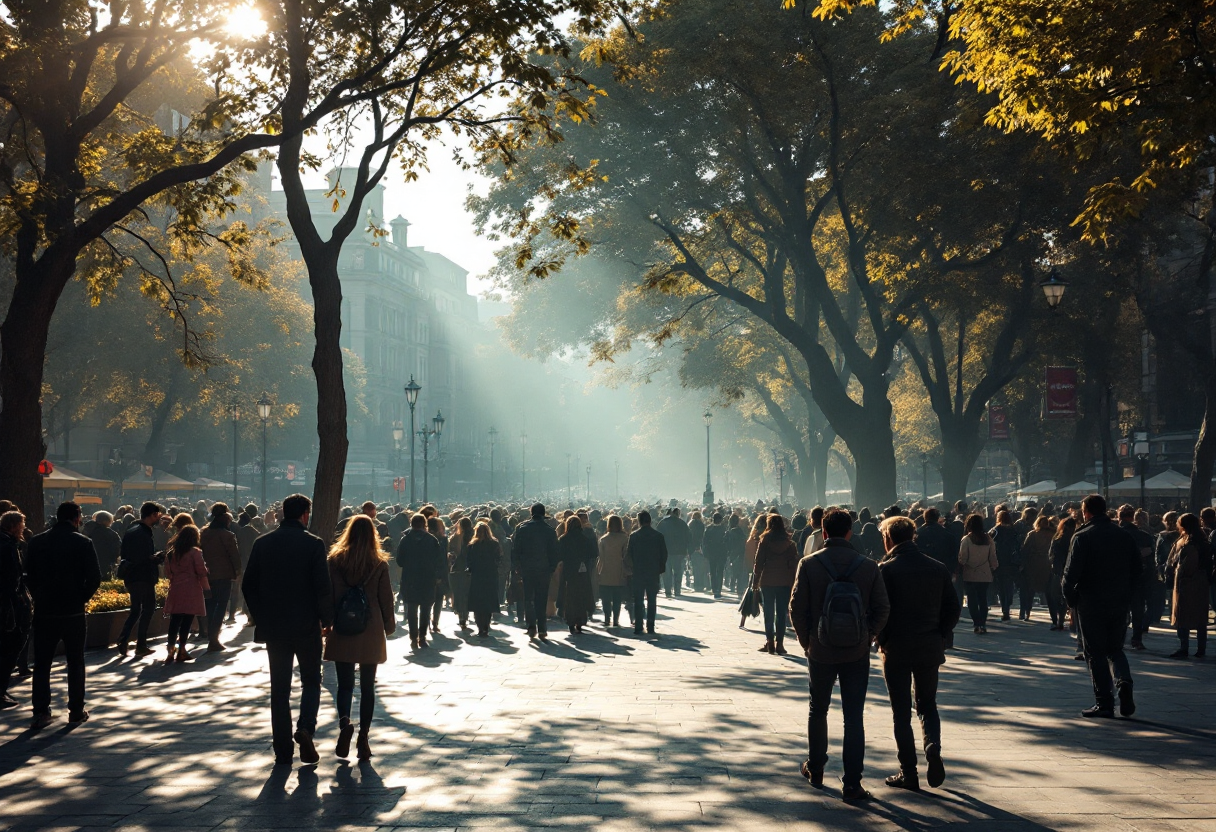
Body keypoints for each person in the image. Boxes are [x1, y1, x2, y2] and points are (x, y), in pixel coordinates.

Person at [789, 508, 890, 802]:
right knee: (853, 717)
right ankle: (852, 783)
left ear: (823, 533)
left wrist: (806, 639)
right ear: (850, 532)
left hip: (819, 649)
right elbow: (883, 608)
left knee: (817, 708)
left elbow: (796, 607)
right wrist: (868, 634)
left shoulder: (809, 564)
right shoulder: (869, 566)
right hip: (856, 651)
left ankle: (816, 767)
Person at [241, 493, 334, 766]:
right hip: (306, 625)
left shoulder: (263, 543)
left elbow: (248, 585)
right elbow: (322, 587)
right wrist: (326, 619)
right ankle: (305, 728)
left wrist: (261, 616)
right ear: (305, 514)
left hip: (275, 627)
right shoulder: (314, 544)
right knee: (311, 681)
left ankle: (282, 749)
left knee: (279, 689)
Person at [876, 516, 960, 791]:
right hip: (928, 645)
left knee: (900, 712)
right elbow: (953, 607)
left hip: (896, 647)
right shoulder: (937, 568)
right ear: (913, 536)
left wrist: (882, 638)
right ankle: (932, 744)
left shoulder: (885, 569)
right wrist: (939, 633)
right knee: (927, 704)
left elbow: (879, 610)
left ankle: (908, 772)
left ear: (888, 537)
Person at [1062, 494, 1141, 719]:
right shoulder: (1124, 536)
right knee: (1115, 649)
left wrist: (1071, 601)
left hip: (1091, 601)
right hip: (1119, 601)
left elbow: (1070, 575)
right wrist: (1128, 595)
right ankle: (1124, 681)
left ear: (1086, 512)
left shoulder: (1082, 536)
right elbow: (1138, 570)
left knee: (1095, 652)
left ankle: (1104, 702)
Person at [24, 502, 101, 729]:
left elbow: (28, 574)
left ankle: (41, 711)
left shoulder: (37, 542)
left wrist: (39, 595)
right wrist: (81, 597)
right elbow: (94, 578)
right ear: (76, 517)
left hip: (45, 611)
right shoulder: (83, 542)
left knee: (42, 663)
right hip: (73, 612)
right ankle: (76, 711)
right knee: (75, 662)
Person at [324, 515, 395, 760]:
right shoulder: (379, 563)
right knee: (367, 687)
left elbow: (328, 594)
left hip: (342, 627)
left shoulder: (335, 561)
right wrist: (389, 626)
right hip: (370, 627)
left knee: (344, 685)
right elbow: (386, 599)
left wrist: (326, 623)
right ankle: (364, 737)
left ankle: (345, 724)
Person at [116, 501, 164, 657]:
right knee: (148, 609)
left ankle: (123, 640)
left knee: (136, 609)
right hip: (143, 576)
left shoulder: (132, 530)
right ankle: (141, 644)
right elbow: (144, 558)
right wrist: (157, 558)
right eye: (158, 515)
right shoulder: (143, 533)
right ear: (153, 515)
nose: (159, 519)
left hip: (131, 576)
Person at [1165, 513, 1211, 659]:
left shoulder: (1186, 542)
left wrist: (1180, 574)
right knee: (1200, 617)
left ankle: (1184, 647)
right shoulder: (1203, 540)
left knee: (1182, 614)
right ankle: (1201, 648)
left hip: (1186, 582)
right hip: (1202, 581)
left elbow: (1184, 563)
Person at [396, 513, 445, 649]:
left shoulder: (405, 540)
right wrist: (438, 576)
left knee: (411, 609)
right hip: (427, 579)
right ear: (425, 525)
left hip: (410, 579)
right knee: (425, 608)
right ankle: (422, 637)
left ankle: (413, 637)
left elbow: (399, 561)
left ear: (411, 524)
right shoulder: (432, 540)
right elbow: (439, 560)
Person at [752, 513, 799, 655]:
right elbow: (793, 565)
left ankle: (769, 642)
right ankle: (780, 644)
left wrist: (755, 582)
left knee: (768, 612)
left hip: (767, 581)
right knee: (781, 613)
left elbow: (758, 563)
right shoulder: (790, 543)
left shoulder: (764, 541)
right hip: (784, 581)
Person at [162, 524, 209, 664]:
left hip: (176, 588)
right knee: (187, 619)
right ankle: (182, 649)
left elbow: (167, 573)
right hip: (192, 588)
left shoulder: (172, 552)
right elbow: (201, 571)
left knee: (175, 620)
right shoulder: (195, 552)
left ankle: (170, 649)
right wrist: (207, 588)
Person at [511, 504, 559, 640]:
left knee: (528, 598)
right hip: (544, 569)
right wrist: (552, 568)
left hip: (527, 568)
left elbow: (516, 550)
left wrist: (517, 567)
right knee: (541, 598)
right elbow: (554, 552)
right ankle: (542, 628)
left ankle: (531, 625)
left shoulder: (522, 529)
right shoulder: (550, 531)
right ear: (544, 514)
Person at [0, 510, 31, 709]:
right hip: (9, 605)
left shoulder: (7, 542)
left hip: (7, 602)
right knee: (12, 645)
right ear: (13, 526)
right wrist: (20, 600)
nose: (23, 529)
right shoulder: (8, 546)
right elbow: (12, 579)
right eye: (21, 525)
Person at [199, 503, 240, 651]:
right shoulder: (228, 535)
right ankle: (214, 638)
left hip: (207, 573)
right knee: (221, 605)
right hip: (224, 574)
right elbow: (234, 556)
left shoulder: (203, 533)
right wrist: (237, 572)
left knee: (210, 605)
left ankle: (210, 633)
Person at [1117, 505, 1156, 650]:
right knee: (1138, 609)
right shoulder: (1145, 536)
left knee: (1120, 610)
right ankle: (1137, 638)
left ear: (1119, 516)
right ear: (1133, 517)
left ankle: (1119, 637)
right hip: (1139, 578)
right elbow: (1151, 560)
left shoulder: (1115, 535)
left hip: (1120, 579)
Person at [626, 510, 667, 636]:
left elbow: (628, 556)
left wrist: (633, 568)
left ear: (639, 521)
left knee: (638, 600)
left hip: (638, 572)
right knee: (652, 600)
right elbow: (664, 555)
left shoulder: (633, 536)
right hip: (653, 572)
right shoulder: (658, 536)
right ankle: (650, 625)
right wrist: (660, 569)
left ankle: (638, 626)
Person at [958, 515, 998, 634]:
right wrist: (993, 567)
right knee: (983, 598)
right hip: (985, 573)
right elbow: (993, 556)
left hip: (970, 573)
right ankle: (983, 623)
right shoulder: (988, 539)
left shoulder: (966, 539)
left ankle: (976, 623)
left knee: (972, 600)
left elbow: (962, 558)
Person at [558, 516, 597, 635]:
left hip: (569, 571)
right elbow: (593, 553)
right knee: (581, 596)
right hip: (582, 571)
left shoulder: (563, 539)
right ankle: (580, 622)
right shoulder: (585, 539)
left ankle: (570, 621)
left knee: (569, 597)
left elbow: (559, 555)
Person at [465, 521, 503, 637]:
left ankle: (480, 626)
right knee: (488, 601)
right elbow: (499, 558)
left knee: (478, 602)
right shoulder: (494, 544)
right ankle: (486, 626)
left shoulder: (472, 545)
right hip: (491, 575)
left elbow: (469, 561)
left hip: (477, 576)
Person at [597, 515, 630, 627]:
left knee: (606, 598)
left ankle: (607, 618)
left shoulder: (603, 539)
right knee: (617, 598)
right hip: (619, 572)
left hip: (605, 572)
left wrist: (597, 572)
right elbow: (626, 556)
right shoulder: (625, 539)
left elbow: (600, 558)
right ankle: (616, 619)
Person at [1020, 515, 1054, 621]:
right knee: (1049, 590)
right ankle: (1054, 616)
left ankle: (1027, 613)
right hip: (1047, 564)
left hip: (1033, 564)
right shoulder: (1052, 534)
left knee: (1029, 590)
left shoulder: (1032, 534)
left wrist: (1022, 564)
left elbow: (1025, 550)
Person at [989, 510, 1021, 621]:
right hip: (1012, 562)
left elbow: (989, 542)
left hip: (1000, 561)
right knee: (1009, 585)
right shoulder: (1014, 530)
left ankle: (1005, 608)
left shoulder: (996, 530)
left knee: (1001, 587)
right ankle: (1008, 603)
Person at [1047, 517, 1076, 630]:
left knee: (1053, 596)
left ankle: (1055, 620)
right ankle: (1061, 620)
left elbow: (1051, 555)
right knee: (1064, 597)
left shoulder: (1057, 539)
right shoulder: (1075, 538)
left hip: (1058, 570)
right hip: (1070, 570)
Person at [657, 508, 690, 598]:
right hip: (679, 552)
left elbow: (657, 537)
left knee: (667, 572)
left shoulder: (662, 523)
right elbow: (688, 538)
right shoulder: (682, 524)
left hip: (665, 551)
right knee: (678, 572)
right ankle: (677, 590)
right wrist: (687, 551)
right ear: (678, 514)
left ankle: (668, 590)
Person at [449, 516, 474, 630]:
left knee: (458, 592)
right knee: (467, 593)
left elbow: (450, 551)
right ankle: (466, 614)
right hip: (470, 568)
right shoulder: (474, 536)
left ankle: (461, 616)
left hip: (457, 568)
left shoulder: (456, 537)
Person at [86, 512, 123, 578]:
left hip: (90, 563)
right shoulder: (111, 533)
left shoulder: (89, 531)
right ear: (106, 521)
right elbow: (117, 548)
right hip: (106, 562)